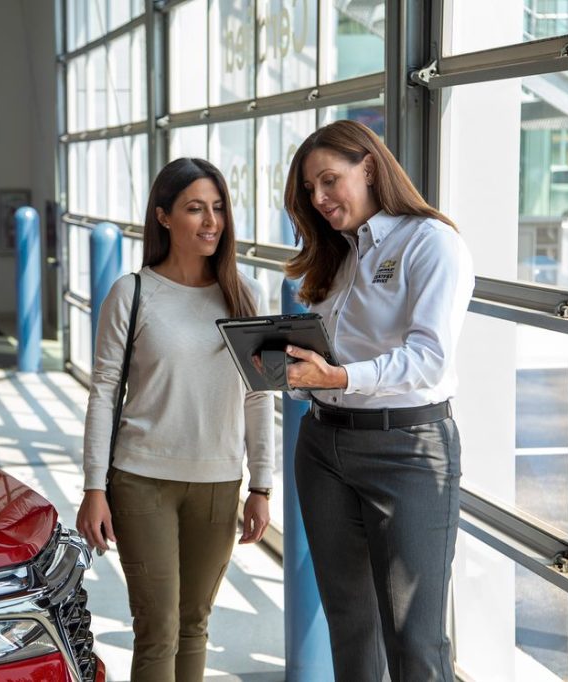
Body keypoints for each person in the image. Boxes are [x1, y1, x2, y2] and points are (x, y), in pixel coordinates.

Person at [279, 120, 475, 681]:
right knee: (350, 625)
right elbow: (332, 352)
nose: (319, 199)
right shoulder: (336, 256)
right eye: (309, 191)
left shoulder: (431, 242)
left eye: (329, 180)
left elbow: (429, 359)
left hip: (408, 453)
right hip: (322, 447)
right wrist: (292, 369)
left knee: (415, 638)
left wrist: (337, 377)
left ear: (369, 166)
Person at [76, 157, 275, 682]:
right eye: (195, 209)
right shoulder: (132, 293)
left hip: (218, 481)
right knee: (158, 627)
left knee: (195, 623)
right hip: (141, 479)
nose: (211, 221)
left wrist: (263, 486)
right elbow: (102, 395)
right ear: (164, 217)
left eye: (218, 208)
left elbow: (260, 397)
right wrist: (94, 487)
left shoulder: (245, 294)